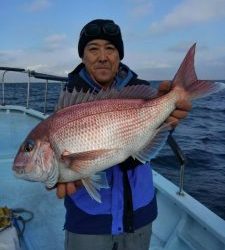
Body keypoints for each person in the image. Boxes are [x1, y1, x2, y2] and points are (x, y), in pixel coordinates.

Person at [56, 19, 191, 250]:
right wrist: (52, 172)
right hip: (88, 220)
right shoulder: (69, 102)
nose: (102, 56)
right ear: (82, 56)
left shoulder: (142, 93)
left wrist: (166, 119)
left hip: (140, 213)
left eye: (110, 48)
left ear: (119, 56)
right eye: (93, 49)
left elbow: (153, 140)